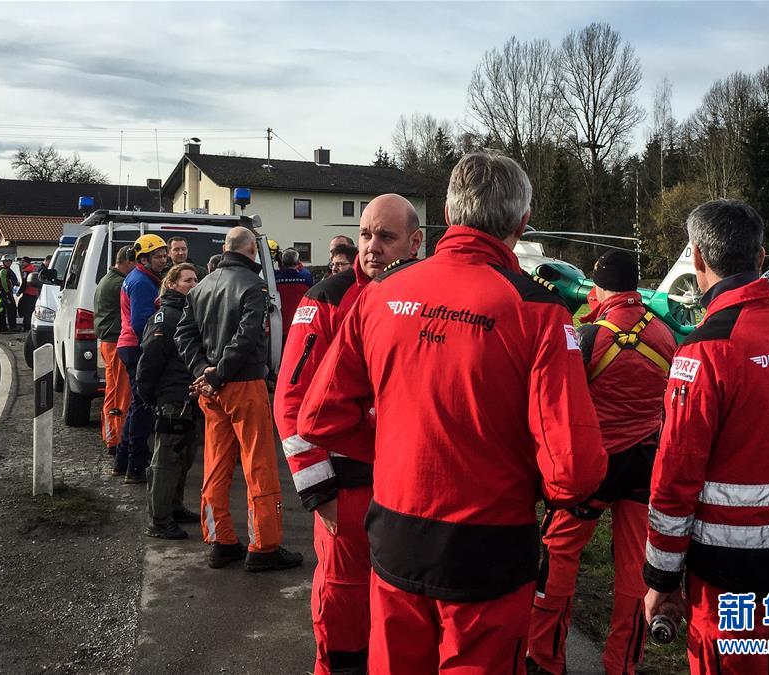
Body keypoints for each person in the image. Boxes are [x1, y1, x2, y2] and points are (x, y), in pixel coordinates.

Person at [297, 152, 607, 674]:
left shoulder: (379, 294)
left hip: (395, 536)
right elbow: (574, 468)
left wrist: (399, 445)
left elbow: (318, 418)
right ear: (521, 222)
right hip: (489, 546)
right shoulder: (539, 311)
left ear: (447, 211)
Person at [643, 200, 769, 675]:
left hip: (723, 578)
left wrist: (661, 577)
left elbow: (675, 480)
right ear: (761, 258)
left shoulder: (704, 350)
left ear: (696, 259)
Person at [274, 193, 423, 675]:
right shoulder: (328, 297)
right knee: (343, 609)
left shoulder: (432, 297)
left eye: (385, 236)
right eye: (364, 235)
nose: (371, 247)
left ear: (416, 242)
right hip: (349, 487)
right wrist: (320, 491)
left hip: (414, 491)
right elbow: (291, 403)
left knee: (402, 615)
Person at [527, 250, 676, 675]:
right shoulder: (666, 336)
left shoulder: (590, 337)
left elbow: (563, 399)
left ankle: (544, 659)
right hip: (645, 467)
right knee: (634, 576)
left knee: (558, 559)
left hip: (593, 469)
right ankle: (623, 665)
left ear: (600, 288)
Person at [175, 226, 303, 572]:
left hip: (211, 389)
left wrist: (205, 370)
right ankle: (264, 545)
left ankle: (221, 540)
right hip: (243, 384)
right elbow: (248, 336)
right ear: (250, 251)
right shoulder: (253, 286)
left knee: (216, 465)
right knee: (258, 463)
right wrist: (218, 372)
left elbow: (184, 333)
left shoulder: (201, 286)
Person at [137, 263, 202, 540]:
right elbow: (150, 359)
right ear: (172, 284)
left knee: (183, 457)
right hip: (171, 397)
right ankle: (159, 520)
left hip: (187, 396)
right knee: (165, 461)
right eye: (188, 280)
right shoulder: (167, 317)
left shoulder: (188, 312)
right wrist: (148, 394)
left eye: (196, 279)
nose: (194, 284)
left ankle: (174, 508)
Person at [115, 234, 169, 483]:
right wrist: (154, 349)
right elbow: (140, 323)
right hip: (137, 347)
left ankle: (123, 461)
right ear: (143, 259)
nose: (163, 259)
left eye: (163, 255)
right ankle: (135, 467)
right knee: (143, 408)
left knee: (137, 406)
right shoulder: (142, 283)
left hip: (130, 346)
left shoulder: (138, 278)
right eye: (157, 256)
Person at [94, 246, 135, 453]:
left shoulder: (107, 279)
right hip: (117, 342)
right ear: (128, 262)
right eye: (136, 263)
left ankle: (111, 436)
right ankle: (119, 440)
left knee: (112, 391)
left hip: (109, 343)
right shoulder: (120, 284)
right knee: (122, 394)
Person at [274, 248, 315, 348]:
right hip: (300, 324)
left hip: (280, 326)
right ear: (298, 262)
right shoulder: (306, 277)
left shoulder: (275, 278)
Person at [0, 255, 19, 333]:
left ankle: (4, 328)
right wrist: (6, 291)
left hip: (3, 292)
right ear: (3, 262)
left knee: (4, 310)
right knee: (10, 309)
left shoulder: (6, 269)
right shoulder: (3, 270)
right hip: (5, 293)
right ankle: (10, 327)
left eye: (9, 261)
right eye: (6, 261)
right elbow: (3, 282)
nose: (8, 263)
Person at [17, 257, 39, 332]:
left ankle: (26, 327)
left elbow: (24, 283)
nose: (22, 264)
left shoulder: (26, 271)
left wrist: (19, 292)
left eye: (23, 262)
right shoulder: (33, 268)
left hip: (28, 293)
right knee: (30, 310)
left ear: (27, 263)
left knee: (27, 311)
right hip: (35, 293)